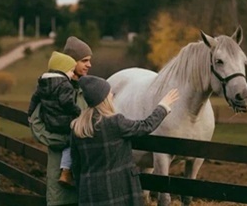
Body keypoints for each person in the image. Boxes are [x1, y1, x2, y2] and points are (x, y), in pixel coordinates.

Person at [70, 75, 179, 206]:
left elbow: (76, 165)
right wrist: (163, 106)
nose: (112, 95)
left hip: (89, 191)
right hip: (118, 190)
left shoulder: (77, 126)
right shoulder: (115, 122)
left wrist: (82, 186)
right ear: (103, 99)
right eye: (109, 93)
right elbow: (145, 126)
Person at [29, 36, 92, 206]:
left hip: (86, 173)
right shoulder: (49, 90)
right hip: (60, 175)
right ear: (71, 62)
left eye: (89, 60)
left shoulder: (89, 89)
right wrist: (65, 140)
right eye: (84, 60)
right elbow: (35, 124)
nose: (89, 65)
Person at [28, 51, 81, 188]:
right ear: (63, 70)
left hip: (49, 122)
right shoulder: (65, 85)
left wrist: (29, 112)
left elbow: (34, 99)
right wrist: (78, 111)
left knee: (65, 143)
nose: (72, 74)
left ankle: (65, 172)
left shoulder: (42, 83)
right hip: (64, 123)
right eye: (70, 71)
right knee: (71, 142)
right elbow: (66, 102)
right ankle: (66, 172)